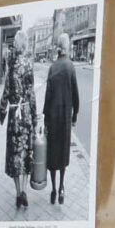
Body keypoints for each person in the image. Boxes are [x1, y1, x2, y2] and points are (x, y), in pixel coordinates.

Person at [0, 43, 39, 215]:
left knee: (15, 155)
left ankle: (17, 192)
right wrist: (35, 117)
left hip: (15, 114)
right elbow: (32, 93)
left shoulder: (11, 66)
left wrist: (2, 113)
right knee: (27, 152)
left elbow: (6, 93)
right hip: (27, 114)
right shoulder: (29, 65)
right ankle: (24, 191)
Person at [43, 37, 81, 207]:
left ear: (57, 48)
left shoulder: (52, 67)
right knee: (63, 154)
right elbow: (76, 96)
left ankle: (52, 189)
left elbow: (47, 95)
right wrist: (74, 116)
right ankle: (62, 187)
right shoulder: (70, 67)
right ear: (67, 48)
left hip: (52, 117)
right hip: (65, 118)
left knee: (52, 155)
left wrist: (45, 119)